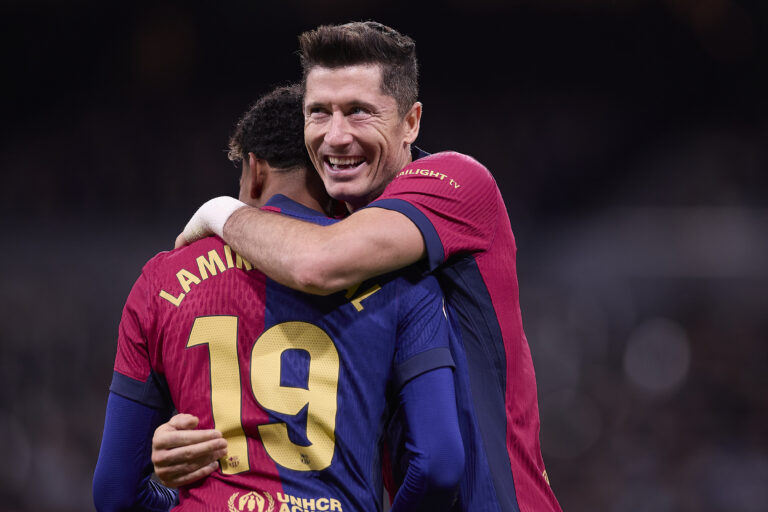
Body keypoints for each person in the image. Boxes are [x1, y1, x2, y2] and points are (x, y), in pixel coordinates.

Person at [164, 21, 563, 512]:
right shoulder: (331, 228)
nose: (336, 136)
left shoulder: (456, 184)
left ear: (411, 122)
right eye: (319, 113)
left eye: (358, 112)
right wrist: (183, 444)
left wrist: (219, 211)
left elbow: (317, 263)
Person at [93, 84, 464, 511]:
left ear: (255, 170)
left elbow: (114, 492)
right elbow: (439, 463)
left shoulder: (162, 281)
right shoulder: (401, 277)